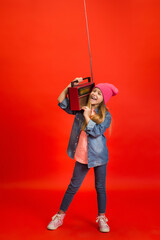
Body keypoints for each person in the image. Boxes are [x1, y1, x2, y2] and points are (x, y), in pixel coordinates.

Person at [47, 77, 119, 233]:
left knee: (100, 187)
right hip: (82, 155)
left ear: (103, 99)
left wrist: (88, 117)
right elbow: (61, 101)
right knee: (73, 186)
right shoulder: (81, 108)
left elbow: (97, 132)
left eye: (99, 94)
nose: (95, 94)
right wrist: (70, 85)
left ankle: (101, 218)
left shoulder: (106, 116)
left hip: (99, 157)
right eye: (94, 91)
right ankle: (59, 216)